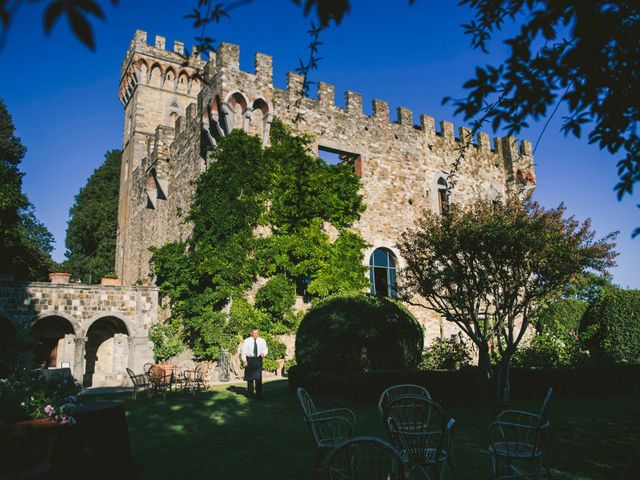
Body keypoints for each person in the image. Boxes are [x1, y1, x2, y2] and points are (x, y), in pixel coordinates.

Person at [241, 328, 268, 399]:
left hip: (258, 359)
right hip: (249, 360)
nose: (256, 335)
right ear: (251, 333)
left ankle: (259, 395)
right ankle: (250, 395)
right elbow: (243, 351)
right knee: (250, 379)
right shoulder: (247, 340)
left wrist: (263, 353)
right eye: (254, 333)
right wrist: (244, 361)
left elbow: (265, 349)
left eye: (257, 333)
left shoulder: (262, 340)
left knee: (258, 378)